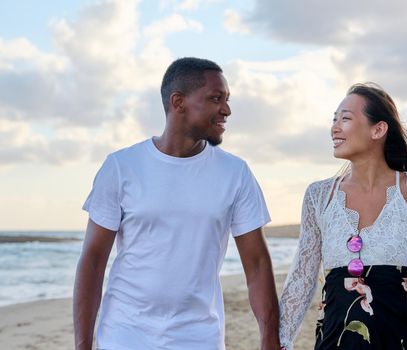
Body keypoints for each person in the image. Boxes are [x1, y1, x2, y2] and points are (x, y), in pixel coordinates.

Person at [74, 57, 280, 350]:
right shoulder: (121, 167)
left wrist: (269, 339)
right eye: (215, 98)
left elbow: (258, 266)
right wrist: (82, 344)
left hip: (200, 338)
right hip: (125, 334)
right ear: (178, 101)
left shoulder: (235, 173)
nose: (226, 110)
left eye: (227, 100)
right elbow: (93, 262)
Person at [278, 83, 407, 349]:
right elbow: (302, 276)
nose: (335, 127)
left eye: (346, 118)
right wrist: (282, 340)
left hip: (402, 338)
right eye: (334, 119)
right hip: (337, 339)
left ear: (378, 129)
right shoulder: (319, 195)